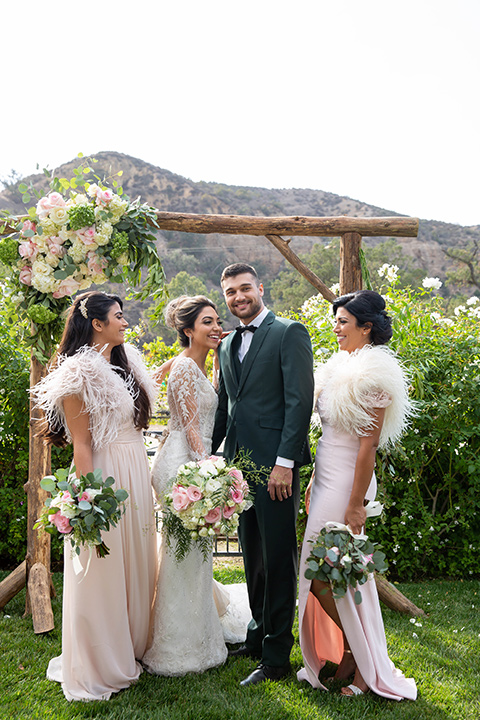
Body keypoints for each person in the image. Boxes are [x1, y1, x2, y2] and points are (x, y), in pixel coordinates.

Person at [33, 291, 157, 702]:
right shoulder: (77, 374)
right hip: (104, 474)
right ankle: (102, 660)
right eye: (119, 316)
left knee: (138, 558)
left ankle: (134, 644)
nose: (126, 322)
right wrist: (87, 503)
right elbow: (82, 445)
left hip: (134, 468)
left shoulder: (124, 362)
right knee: (103, 564)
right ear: (97, 323)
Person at [297, 289, 417, 700]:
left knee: (335, 574)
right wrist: (315, 477)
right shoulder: (337, 367)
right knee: (320, 576)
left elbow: (368, 447)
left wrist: (354, 502)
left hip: (350, 483)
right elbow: (329, 433)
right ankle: (350, 654)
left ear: (366, 328)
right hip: (327, 476)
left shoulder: (374, 375)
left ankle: (363, 668)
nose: (336, 327)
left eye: (343, 321)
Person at [212, 263, 314, 686]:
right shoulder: (226, 343)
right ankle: (256, 636)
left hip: (275, 468)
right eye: (231, 292)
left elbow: (299, 403)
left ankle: (276, 657)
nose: (239, 297)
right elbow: (225, 407)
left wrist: (285, 464)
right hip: (238, 467)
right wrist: (206, 455)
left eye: (245, 289)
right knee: (252, 555)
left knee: (277, 558)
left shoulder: (289, 333)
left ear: (260, 288)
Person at [143, 295, 250, 676]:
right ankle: (178, 644)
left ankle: (200, 628)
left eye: (217, 320)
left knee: (193, 553)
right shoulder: (187, 368)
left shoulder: (202, 363)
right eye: (207, 322)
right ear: (188, 331)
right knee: (183, 553)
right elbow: (190, 426)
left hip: (196, 461)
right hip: (183, 465)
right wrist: (209, 471)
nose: (216, 326)